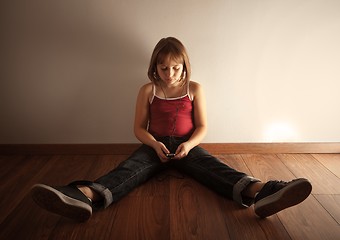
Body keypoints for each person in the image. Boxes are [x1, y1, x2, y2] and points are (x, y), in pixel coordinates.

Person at [31, 37, 312, 222]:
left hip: (186, 145)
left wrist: (188, 146)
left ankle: (262, 192)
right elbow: (138, 128)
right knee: (130, 170)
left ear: (184, 66)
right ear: (155, 67)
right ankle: (83, 196)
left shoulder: (194, 89)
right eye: (163, 68)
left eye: (176, 68)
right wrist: (154, 145)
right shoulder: (147, 90)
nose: (170, 74)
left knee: (213, 168)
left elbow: (202, 126)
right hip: (155, 145)